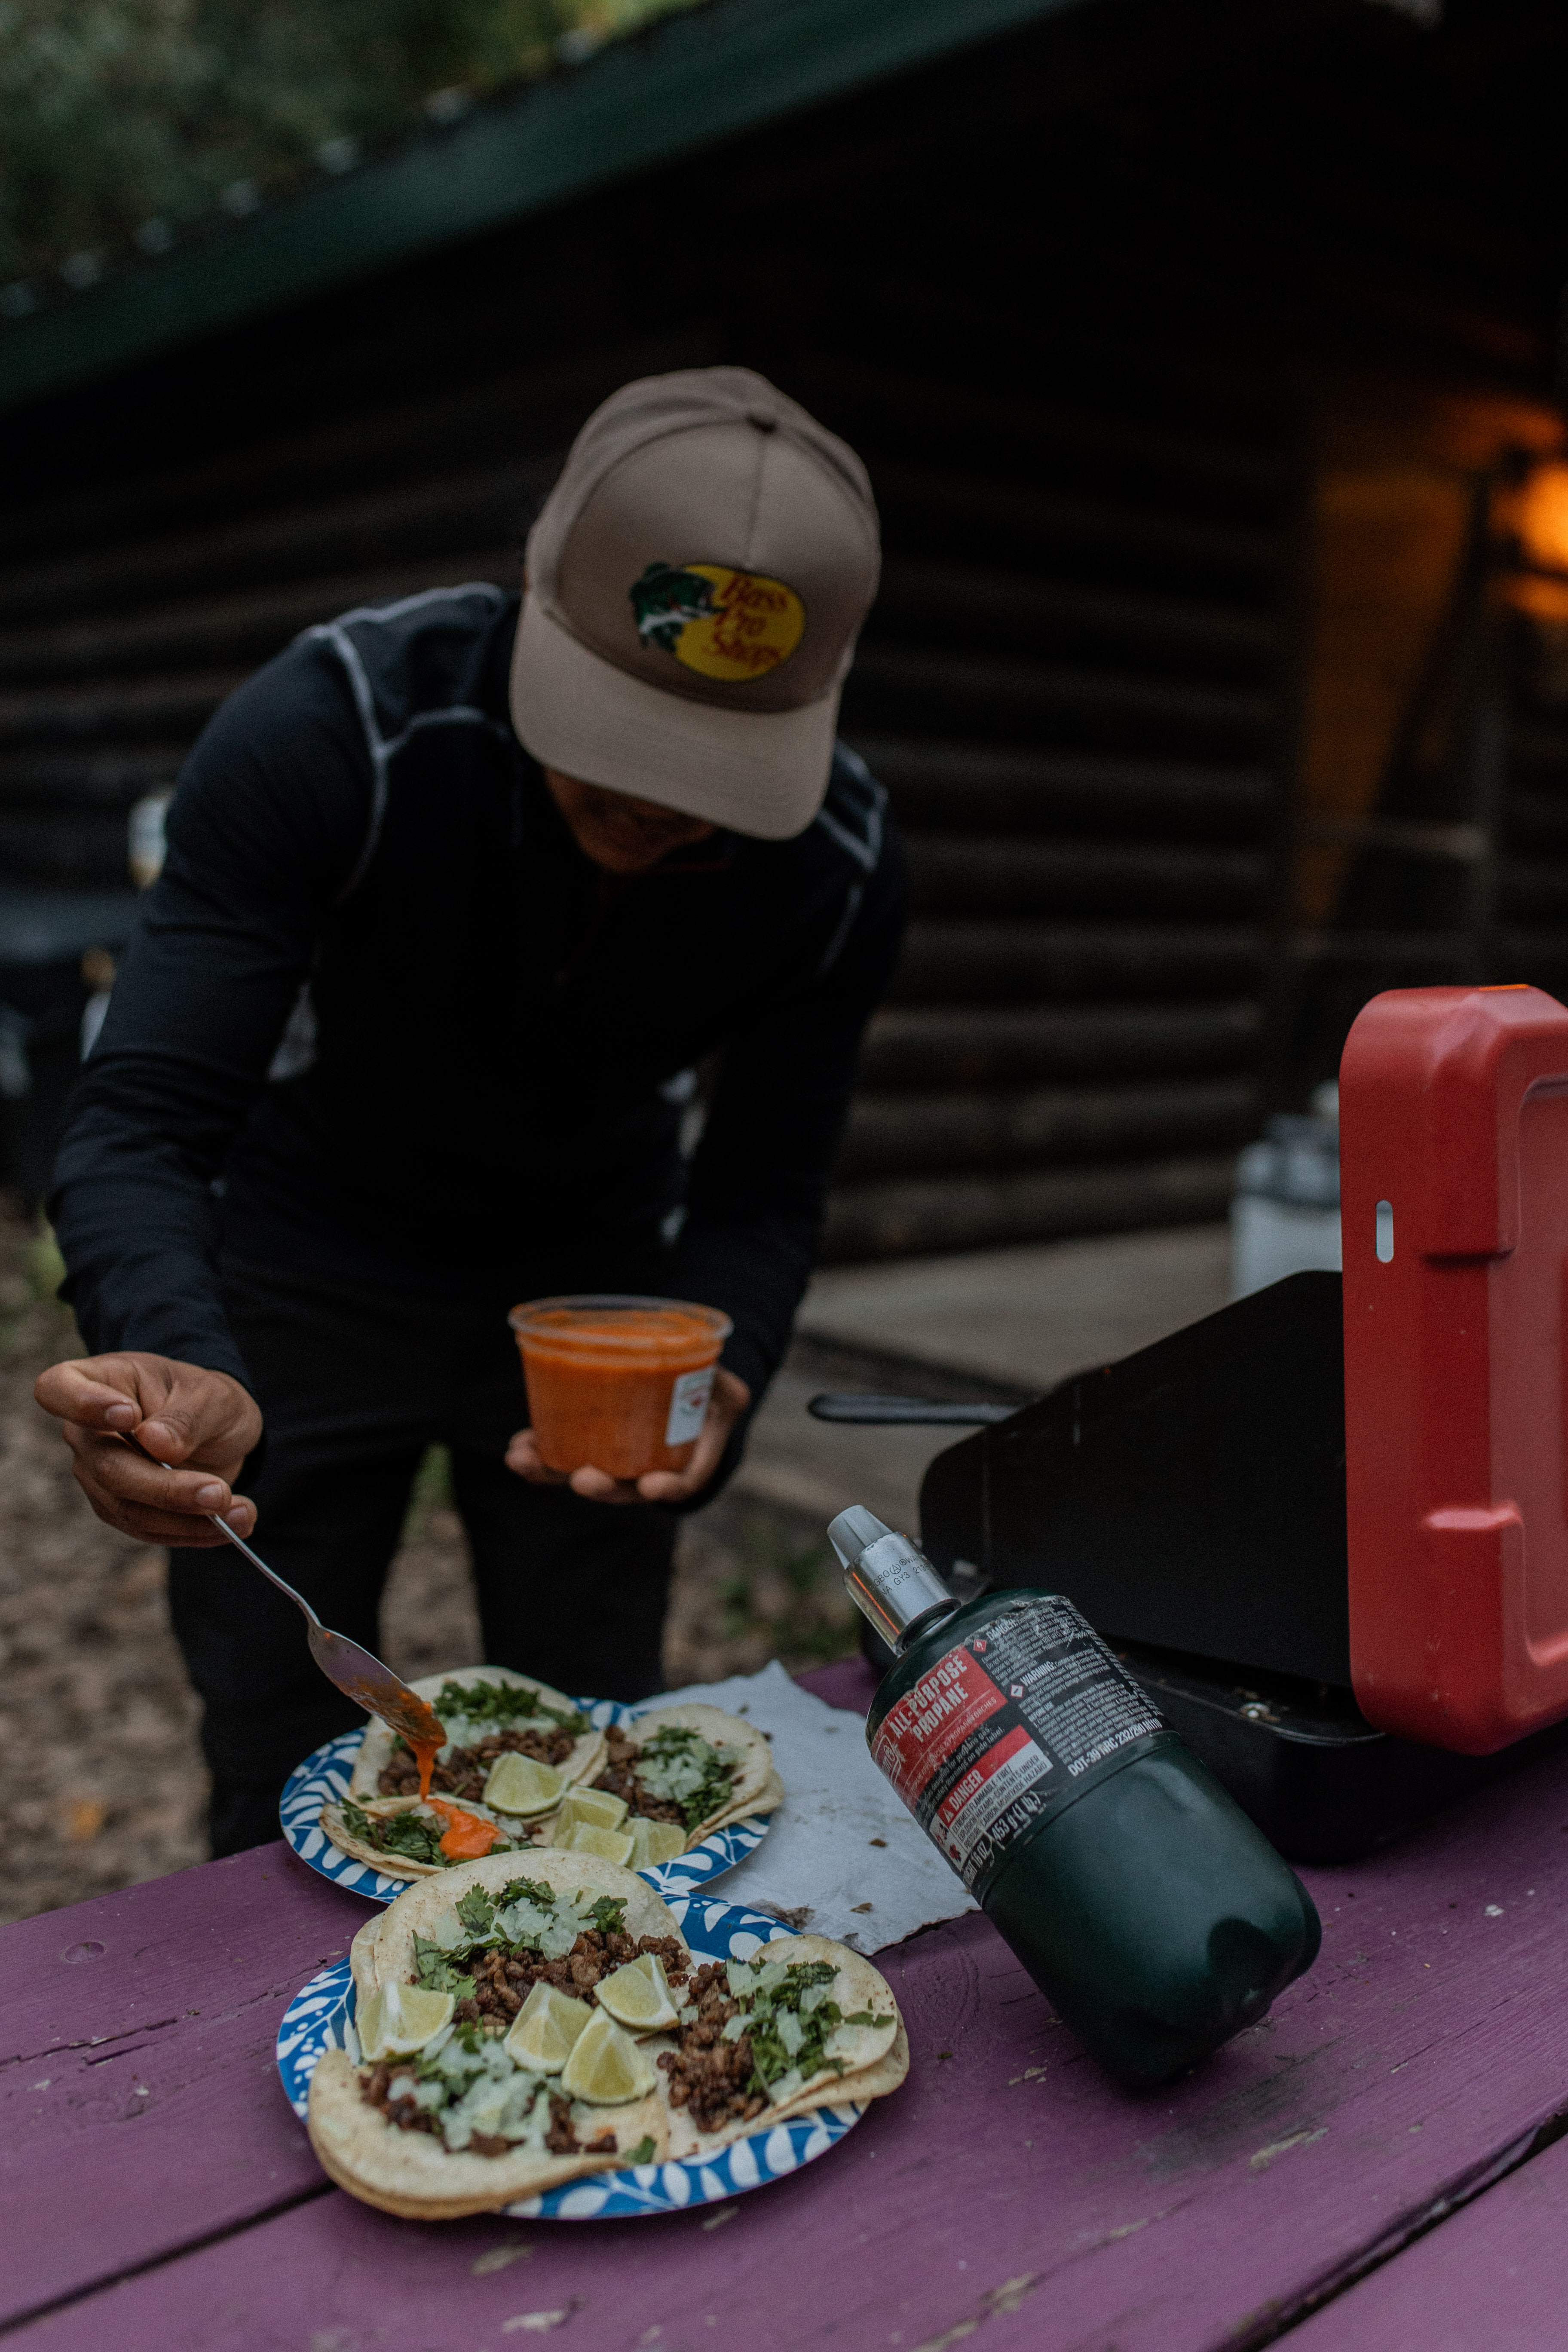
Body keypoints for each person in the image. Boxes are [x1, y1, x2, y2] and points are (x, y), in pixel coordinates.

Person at [33, 368, 905, 1855]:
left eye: (716, 770)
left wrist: (729, 1378)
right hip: (310, 1244)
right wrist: (170, 1349)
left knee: (597, 1741)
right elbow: (144, 1118)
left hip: (598, 1285)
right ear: (539, 601)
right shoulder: (335, 729)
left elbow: (764, 1186)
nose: (661, 814)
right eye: (625, 736)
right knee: (276, 1735)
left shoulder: (835, 863)